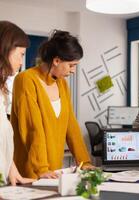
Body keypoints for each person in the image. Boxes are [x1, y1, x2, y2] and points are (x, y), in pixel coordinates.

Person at [11, 30, 92, 179]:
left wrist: (84, 162)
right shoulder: (26, 80)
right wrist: (41, 168)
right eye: (71, 65)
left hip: (53, 172)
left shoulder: (62, 85)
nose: (73, 71)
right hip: (31, 171)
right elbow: (31, 128)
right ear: (56, 61)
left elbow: (71, 126)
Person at [0, 20, 35, 185]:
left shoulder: (3, 93)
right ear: (5, 49)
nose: (22, 63)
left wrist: (12, 170)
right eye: (21, 54)